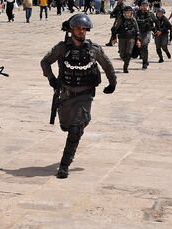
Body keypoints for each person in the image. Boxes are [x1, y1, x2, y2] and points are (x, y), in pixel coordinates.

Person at [41, 14, 117, 179]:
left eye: (84, 29)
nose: (81, 32)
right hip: (66, 95)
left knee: (75, 129)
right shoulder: (62, 48)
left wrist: (112, 83)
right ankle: (78, 126)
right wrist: (52, 79)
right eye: (78, 28)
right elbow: (45, 62)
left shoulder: (93, 49)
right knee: (66, 126)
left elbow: (107, 65)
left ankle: (64, 164)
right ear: (71, 30)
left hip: (85, 95)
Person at [115, 5, 140, 74]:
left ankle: (125, 66)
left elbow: (137, 30)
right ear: (124, 13)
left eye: (129, 12)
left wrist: (138, 40)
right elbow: (115, 28)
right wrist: (114, 37)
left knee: (129, 53)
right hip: (122, 38)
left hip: (131, 38)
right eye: (127, 12)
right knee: (122, 54)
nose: (128, 14)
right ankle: (126, 61)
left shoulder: (133, 20)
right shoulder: (121, 19)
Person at [135, 1, 155, 69]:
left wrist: (157, 30)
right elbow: (134, 21)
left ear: (148, 6)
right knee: (140, 47)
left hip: (147, 31)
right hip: (139, 31)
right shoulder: (137, 13)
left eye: (146, 5)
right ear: (140, 6)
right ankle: (145, 60)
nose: (144, 7)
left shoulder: (150, 14)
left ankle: (144, 63)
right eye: (143, 5)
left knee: (145, 45)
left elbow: (156, 21)